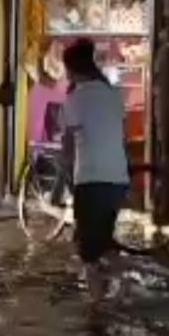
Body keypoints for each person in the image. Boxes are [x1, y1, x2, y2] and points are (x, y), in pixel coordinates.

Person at [61, 39, 130, 300]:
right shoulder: (113, 94)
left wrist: (67, 179)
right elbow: (122, 138)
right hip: (117, 178)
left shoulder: (75, 99)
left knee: (88, 252)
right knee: (105, 242)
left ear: (72, 69)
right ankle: (121, 291)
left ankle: (98, 307)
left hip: (91, 179)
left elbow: (67, 148)